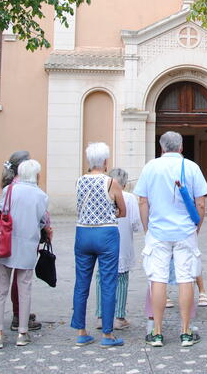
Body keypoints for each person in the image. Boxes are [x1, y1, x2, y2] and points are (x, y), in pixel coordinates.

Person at [135, 131, 207, 347]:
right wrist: (197, 227)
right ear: (181, 147)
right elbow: (201, 203)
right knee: (186, 278)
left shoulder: (150, 167)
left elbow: (142, 201)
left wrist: (148, 228)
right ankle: (186, 332)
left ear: (161, 147)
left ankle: (157, 332)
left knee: (158, 278)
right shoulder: (192, 167)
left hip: (158, 231)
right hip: (185, 230)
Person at [0, 159, 49, 349]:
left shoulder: (10, 190)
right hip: (27, 245)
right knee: (24, 289)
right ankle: (23, 332)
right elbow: (42, 220)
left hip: (5, 243)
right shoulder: (41, 195)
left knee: (0, 289)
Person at [72, 142, 126, 347]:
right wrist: (112, 212)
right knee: (108, 282)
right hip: (106, 233)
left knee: (81, 283)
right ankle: (107, 333)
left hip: (83, 231)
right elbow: (123, 209)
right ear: (105, 161)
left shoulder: (79, 181)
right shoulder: (111, 182)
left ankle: (80, 330)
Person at [0, 151, 46, 333]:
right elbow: (41, 214)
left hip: (8, 237)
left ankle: (16, 316)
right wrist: (46, 227)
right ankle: (20, 318)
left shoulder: (9, 187)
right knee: (21, 280)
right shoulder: (26, 188)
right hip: (24, 237)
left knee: (8, 282)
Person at [96, 167, 142, 331]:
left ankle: (101, 316)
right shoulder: (129, 198)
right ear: (124, 182)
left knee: (102, 278)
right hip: (123, 244)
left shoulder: (101, 194)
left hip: (102, 242)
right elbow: (136, 224)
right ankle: (119, 317)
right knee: (121, 280)